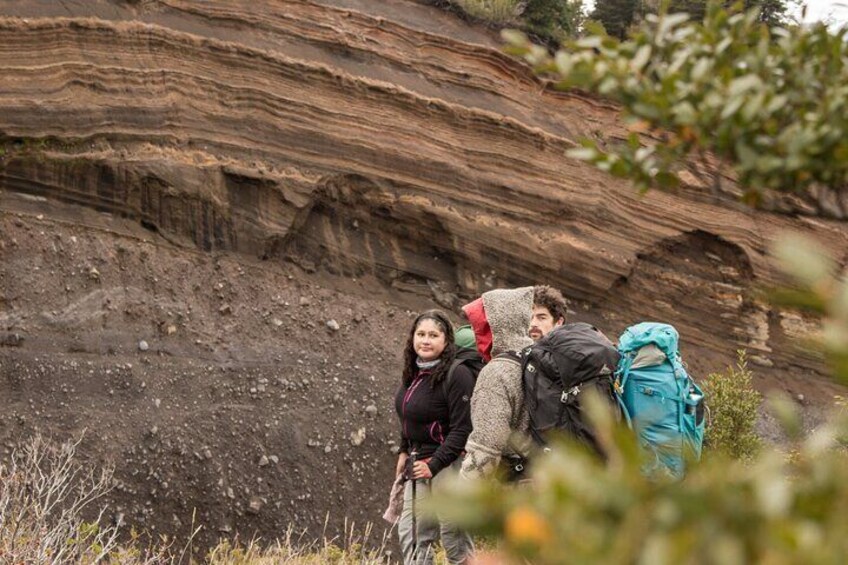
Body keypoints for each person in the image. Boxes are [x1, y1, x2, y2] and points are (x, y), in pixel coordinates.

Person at [394, 310, 475, 564]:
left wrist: (434, 464)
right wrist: (403, 449)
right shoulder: (413, 372)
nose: (425, 341)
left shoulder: (457, 374)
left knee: (454, 534)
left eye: (433, 335)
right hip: (417, 462)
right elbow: (409, 414)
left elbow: (463, 429)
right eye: (420, 334)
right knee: (413, 533)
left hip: (448, 464)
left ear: (446, 340)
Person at [459, 287, 535, 481]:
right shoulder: (539, 359)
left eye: (480, 327)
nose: (477, 335)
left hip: (512, 491)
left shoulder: (497, 371)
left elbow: (486, 448)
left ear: (496, 326)